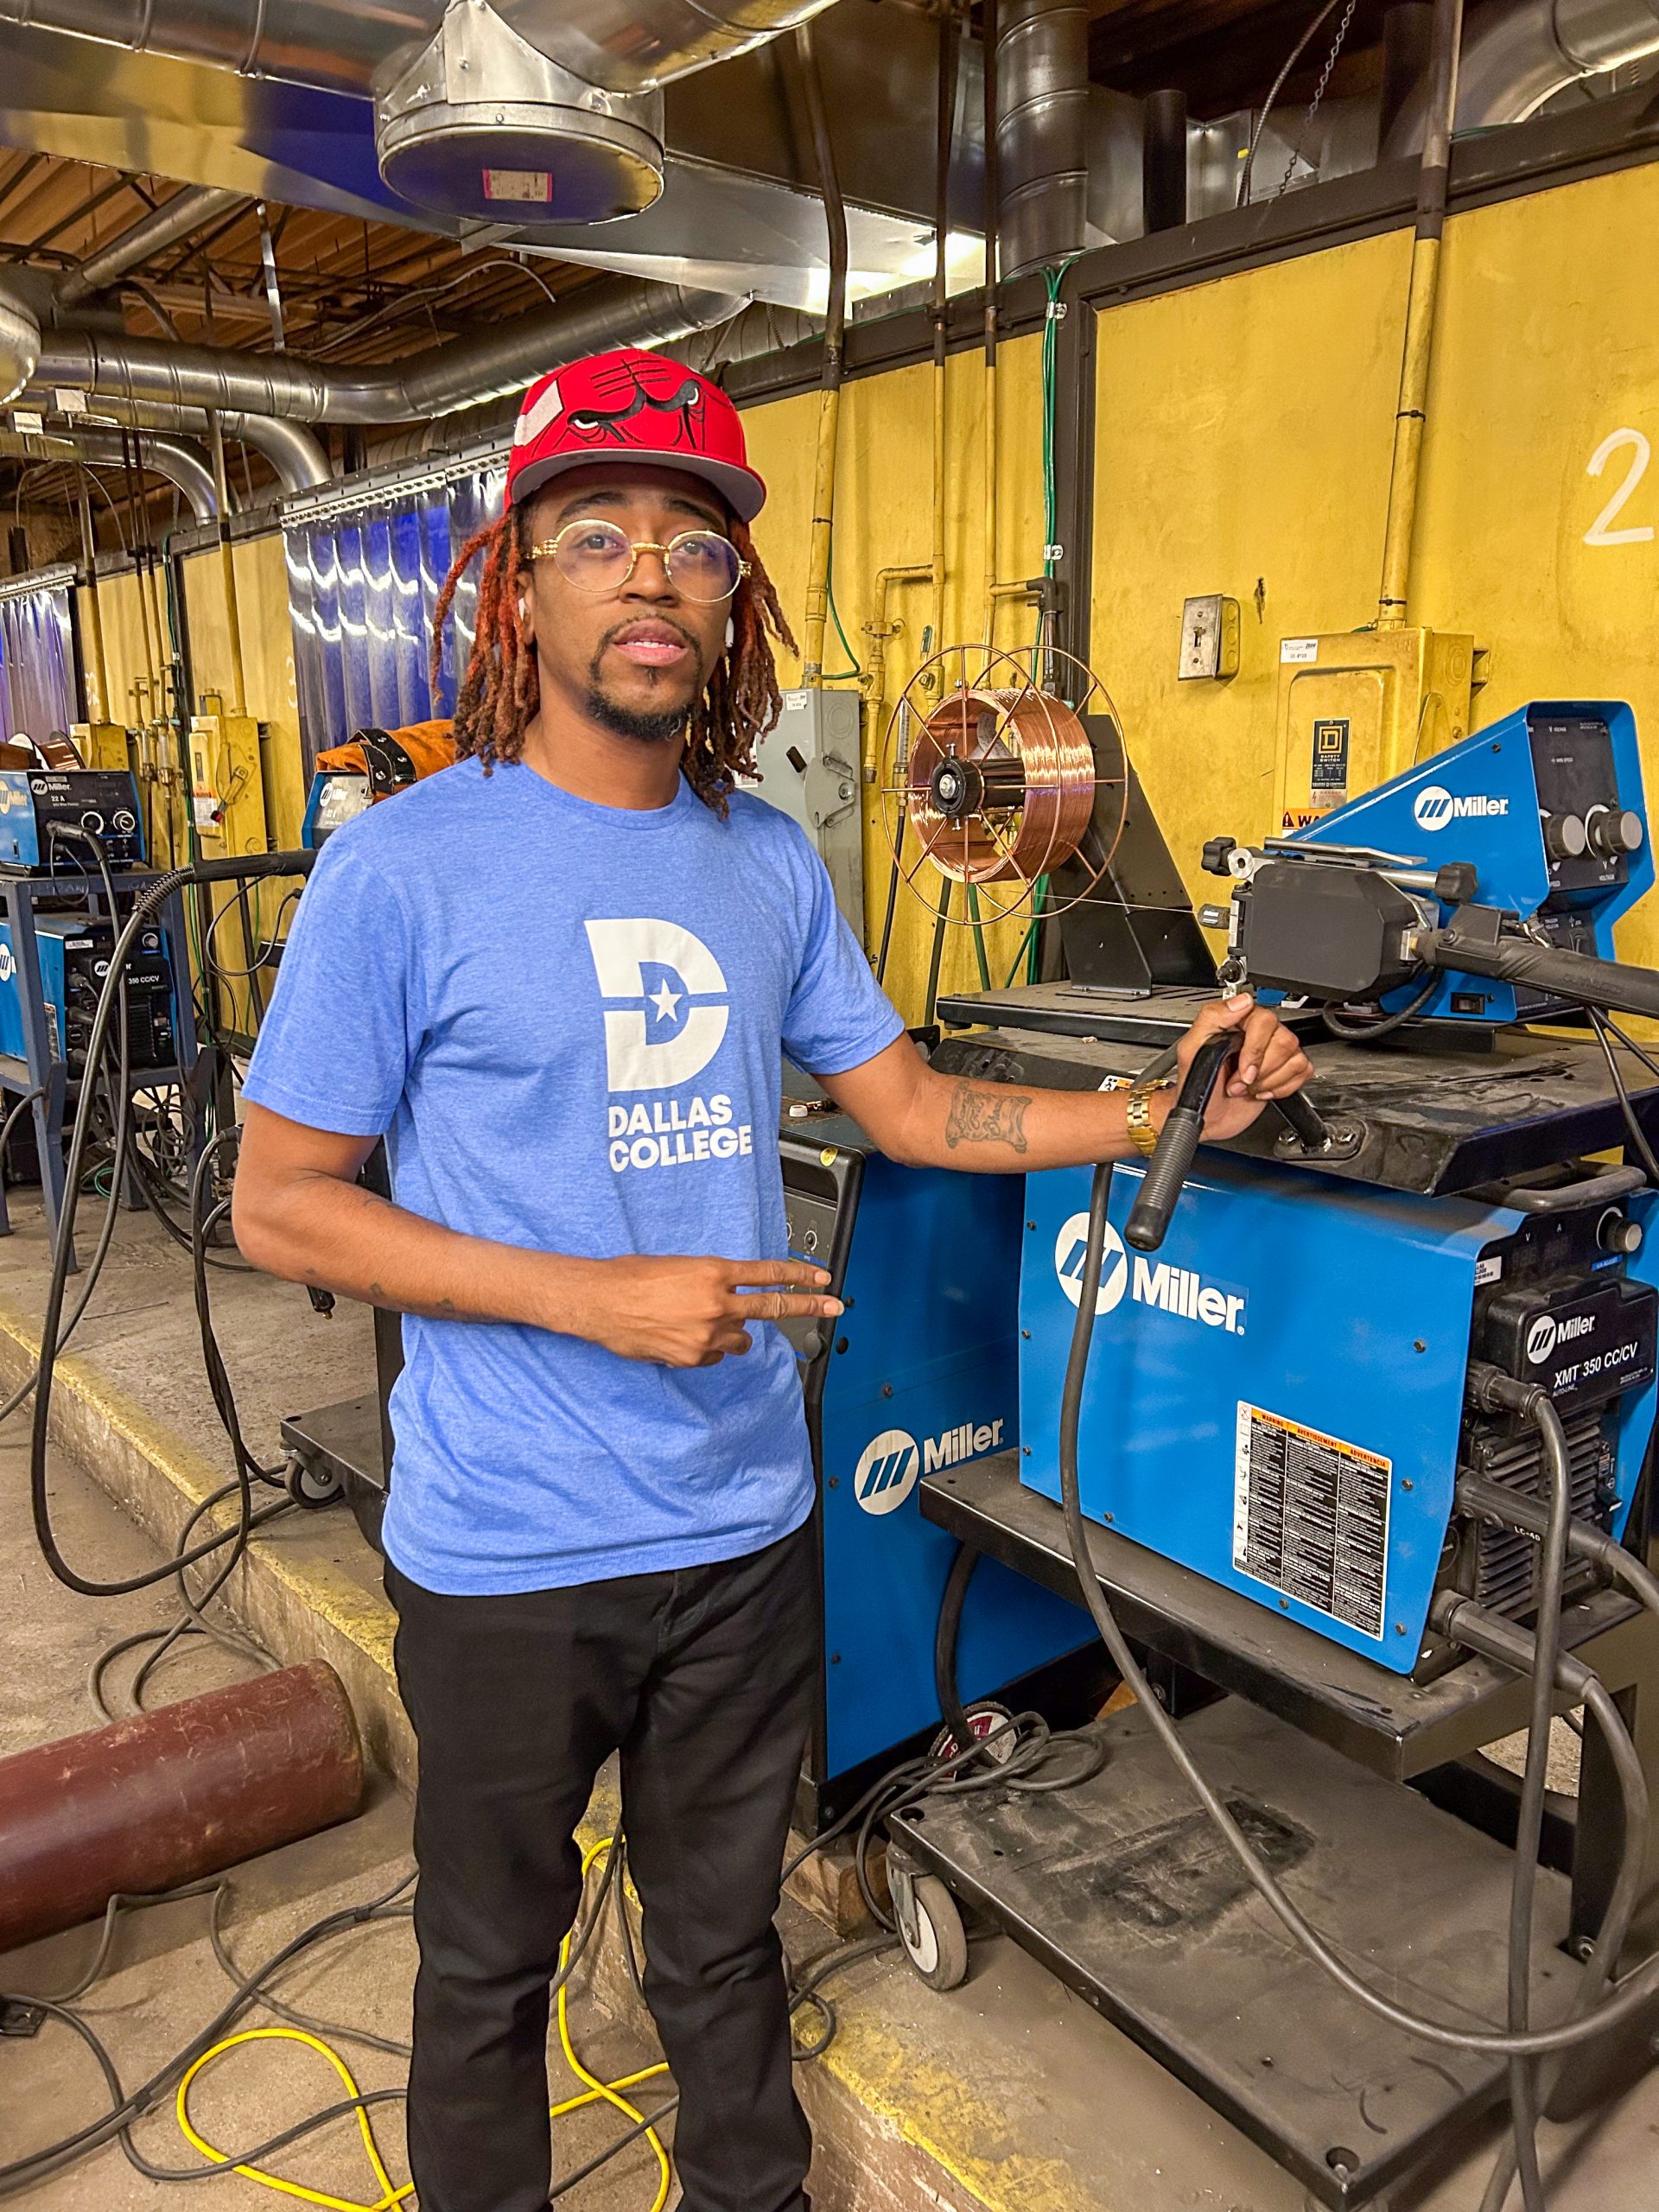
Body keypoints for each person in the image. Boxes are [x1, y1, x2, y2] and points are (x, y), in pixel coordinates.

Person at [232, 346, 1313, 2212]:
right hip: (508, 1548)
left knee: (723, 1940)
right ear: (520, 582)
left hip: (740, 1521)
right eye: (599, 534)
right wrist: (599, 1296)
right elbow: (282, 1203)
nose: (652, 574)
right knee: (485, 1968)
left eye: (694, 544)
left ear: (737, 604)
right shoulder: (402, 868)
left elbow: (915, 1109)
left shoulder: (766, 863)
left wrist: (1161, 1096)